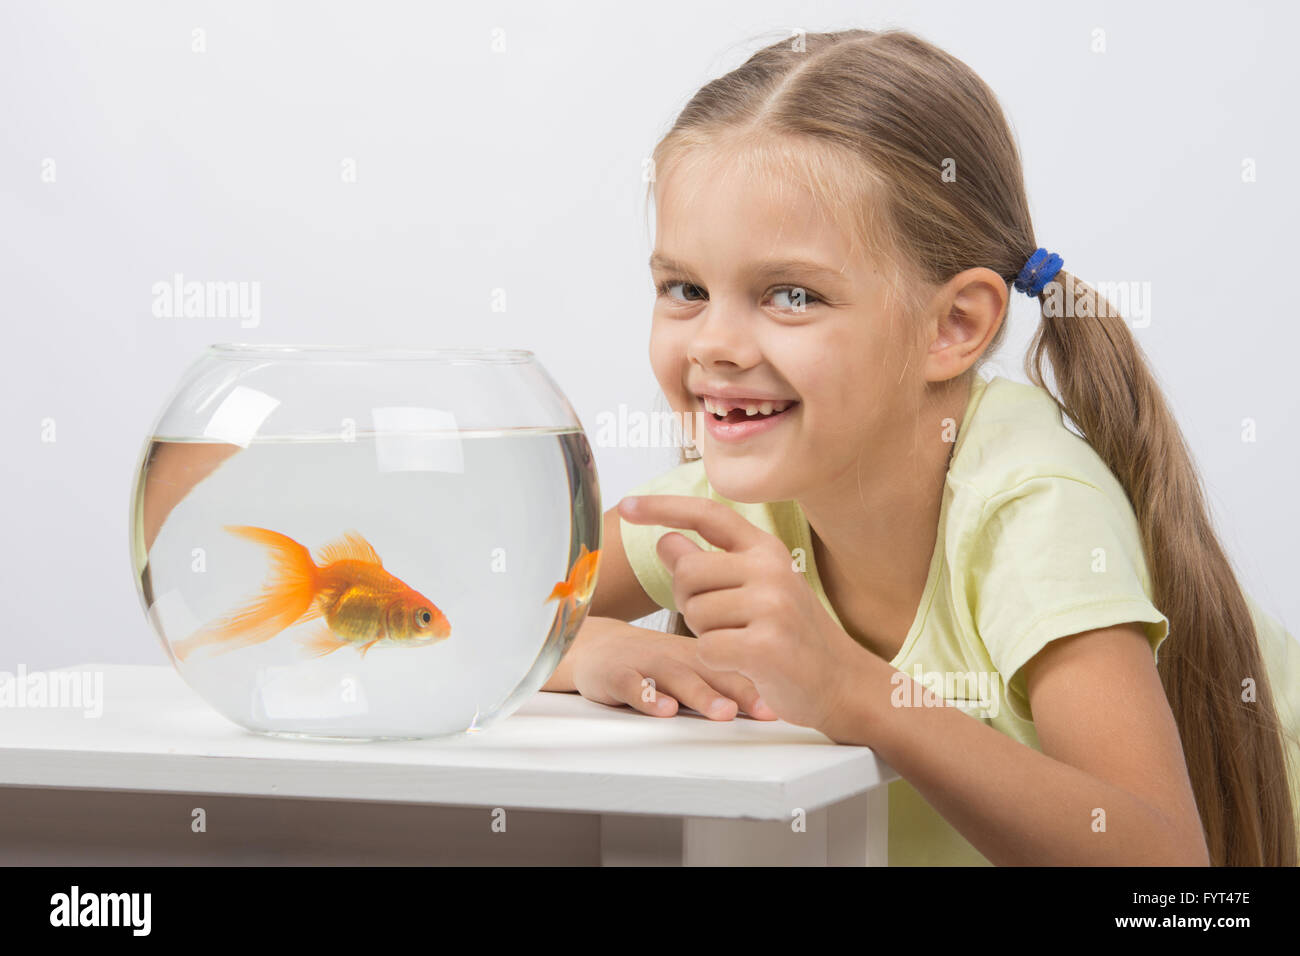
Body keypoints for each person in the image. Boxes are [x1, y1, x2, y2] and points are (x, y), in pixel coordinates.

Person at [541, 28, 1299, 866]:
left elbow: (1165, 871)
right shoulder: (733, 505)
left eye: (790, 295)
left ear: (954, 326)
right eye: (685, 288)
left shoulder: (1031, 511)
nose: (714, 342)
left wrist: (852, 689)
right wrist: (588, 646)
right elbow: (448, 617)